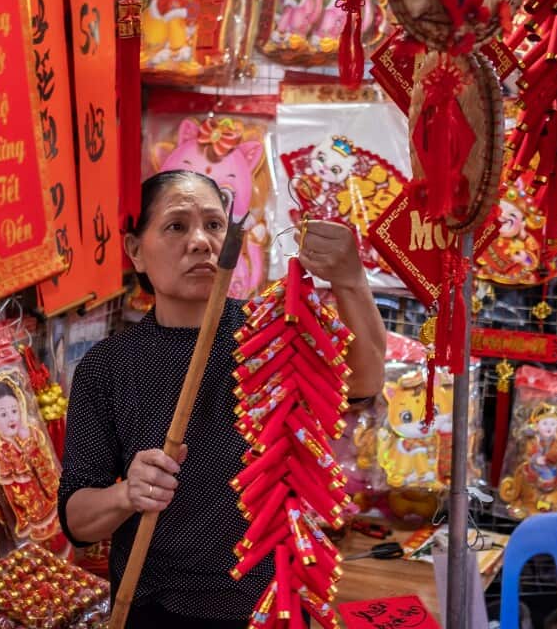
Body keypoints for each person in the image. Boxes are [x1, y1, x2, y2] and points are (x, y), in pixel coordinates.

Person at [59, 170, 386, 629]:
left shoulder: (271, 337)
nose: (200, 242)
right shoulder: (108, 366)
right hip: (155, 609)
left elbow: (364, 382)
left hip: (272, 605)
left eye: (214, 225)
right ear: (136, 250)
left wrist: (351, 281)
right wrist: (126, 494)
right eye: (176, 226)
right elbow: (76, 519)